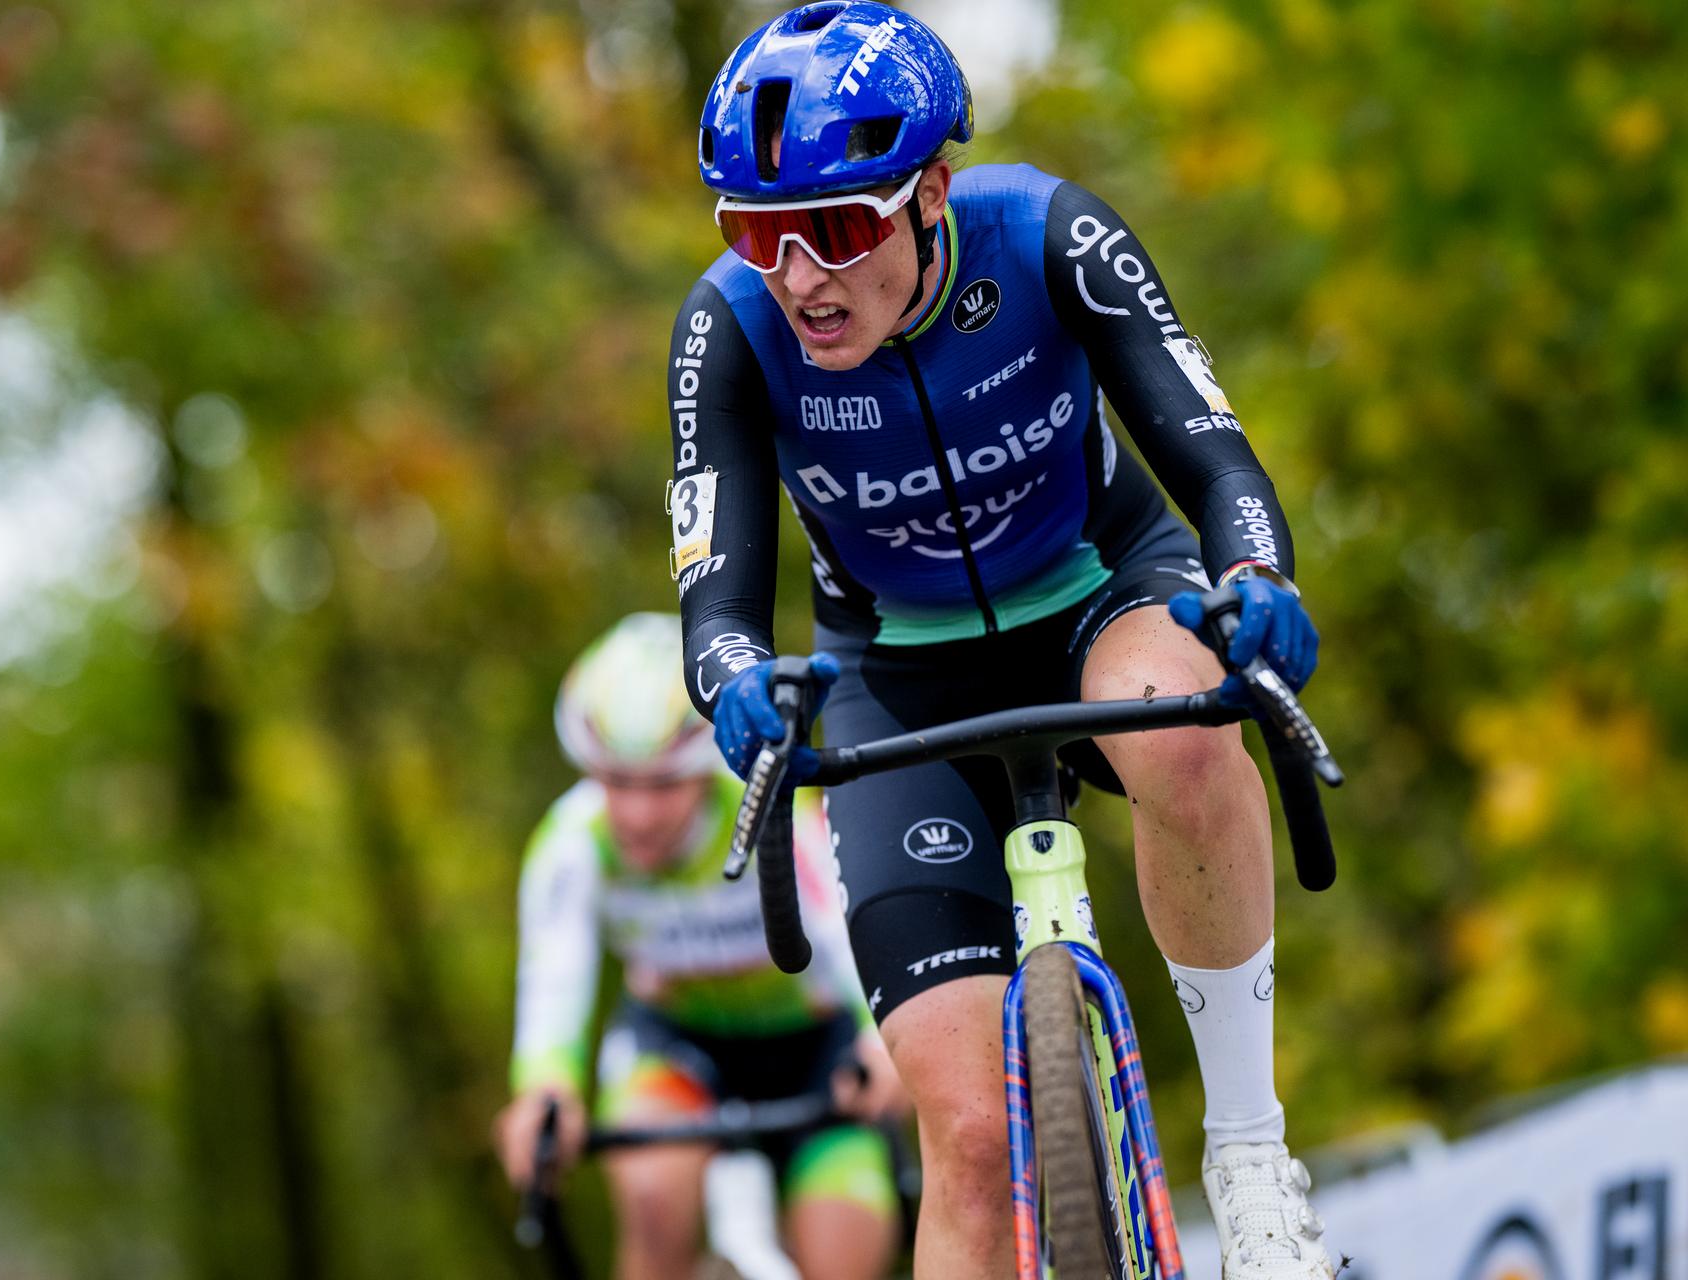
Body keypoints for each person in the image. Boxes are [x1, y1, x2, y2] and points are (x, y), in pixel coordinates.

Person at [668, 5, 1334, 1277]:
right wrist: (736, 681)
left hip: (1102, 590)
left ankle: (1249, 1156)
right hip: (892, 678)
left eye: (837, 229)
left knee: (1186, 739)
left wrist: (1253, 572)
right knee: (970, 1138)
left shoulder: (1048, 235)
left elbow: (1215, 455)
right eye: (757, 235)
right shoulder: (730, 327)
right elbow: (716, 598)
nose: (798, 275)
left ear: (932, 192)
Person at [494, 612, 906, 1280]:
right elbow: (553, 980)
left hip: (814, 1051)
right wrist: (545, 1092)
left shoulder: (773, 810)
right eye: (615, 781)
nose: (635, 813)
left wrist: (881, 1040)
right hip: (677, 1048)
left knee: (845, 1256)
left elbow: (848, 929)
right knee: (654, 1199)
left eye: (662, 784)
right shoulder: (572, 843)